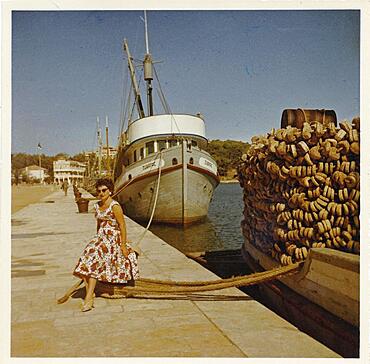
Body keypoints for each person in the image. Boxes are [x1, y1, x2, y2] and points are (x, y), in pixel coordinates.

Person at [73, 178, 139, 312]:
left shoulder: (115, 206)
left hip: (113, 238)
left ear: (110, 191)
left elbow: (122, 225)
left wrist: (123, 245)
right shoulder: (97, 206)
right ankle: (90, 294)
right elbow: (99, 224)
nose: (101, 193)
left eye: (104, 190)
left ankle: (89, 297)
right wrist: (97, 239)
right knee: (87, 256)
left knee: (93, 259)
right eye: (99, 191)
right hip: (101, 238)